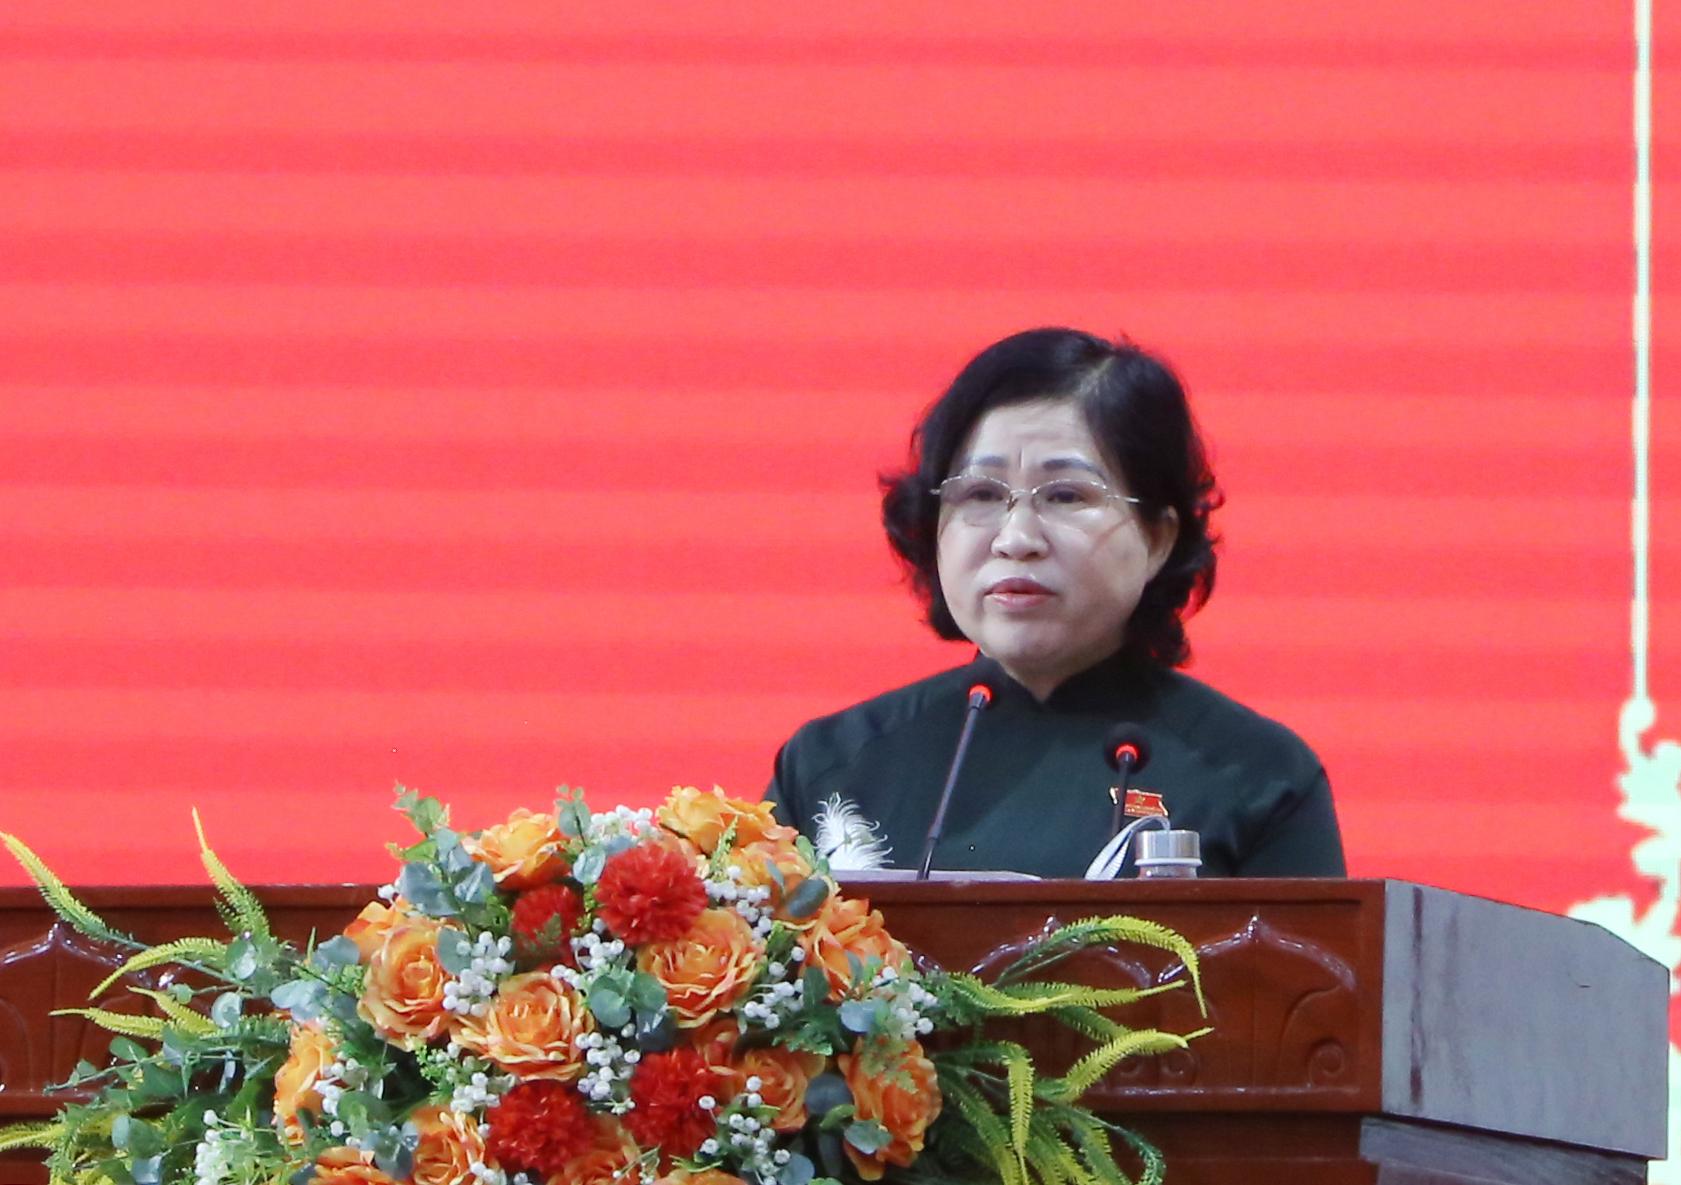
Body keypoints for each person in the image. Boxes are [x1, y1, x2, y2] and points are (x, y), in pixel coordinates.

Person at [764, 327, 1345, 878]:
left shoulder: (1259, 780)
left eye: (1066, 495)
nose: (1016, 538)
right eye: (982, 493)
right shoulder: (832, 768)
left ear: (1158, 537)